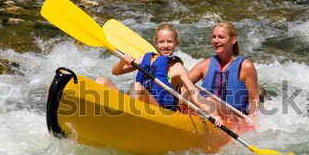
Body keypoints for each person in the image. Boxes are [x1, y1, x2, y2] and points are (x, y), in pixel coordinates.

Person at [95, 23, 223, 126]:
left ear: (176, 43)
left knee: (136, 86)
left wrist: (214, 115)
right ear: (156, 43)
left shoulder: (177, 67)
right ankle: (99, 119)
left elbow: (194, 94)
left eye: (170, 42)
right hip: (137, 104)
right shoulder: (145, 58)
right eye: (162, 42)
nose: (166, 46)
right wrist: (122, 61)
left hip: (159, 111)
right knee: (101, 81)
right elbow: (115, 72)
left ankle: (128, 121)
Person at [188, 22, 260, 122]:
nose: (216, 41)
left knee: (210, 101)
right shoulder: (204, 65)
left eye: (221, 37)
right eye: (214, 37)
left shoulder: (245, 66)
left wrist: (252, 118)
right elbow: (182, 84)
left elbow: (253, 99)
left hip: (234, 118)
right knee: (185, 93)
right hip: (207, 112)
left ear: (233, 40)